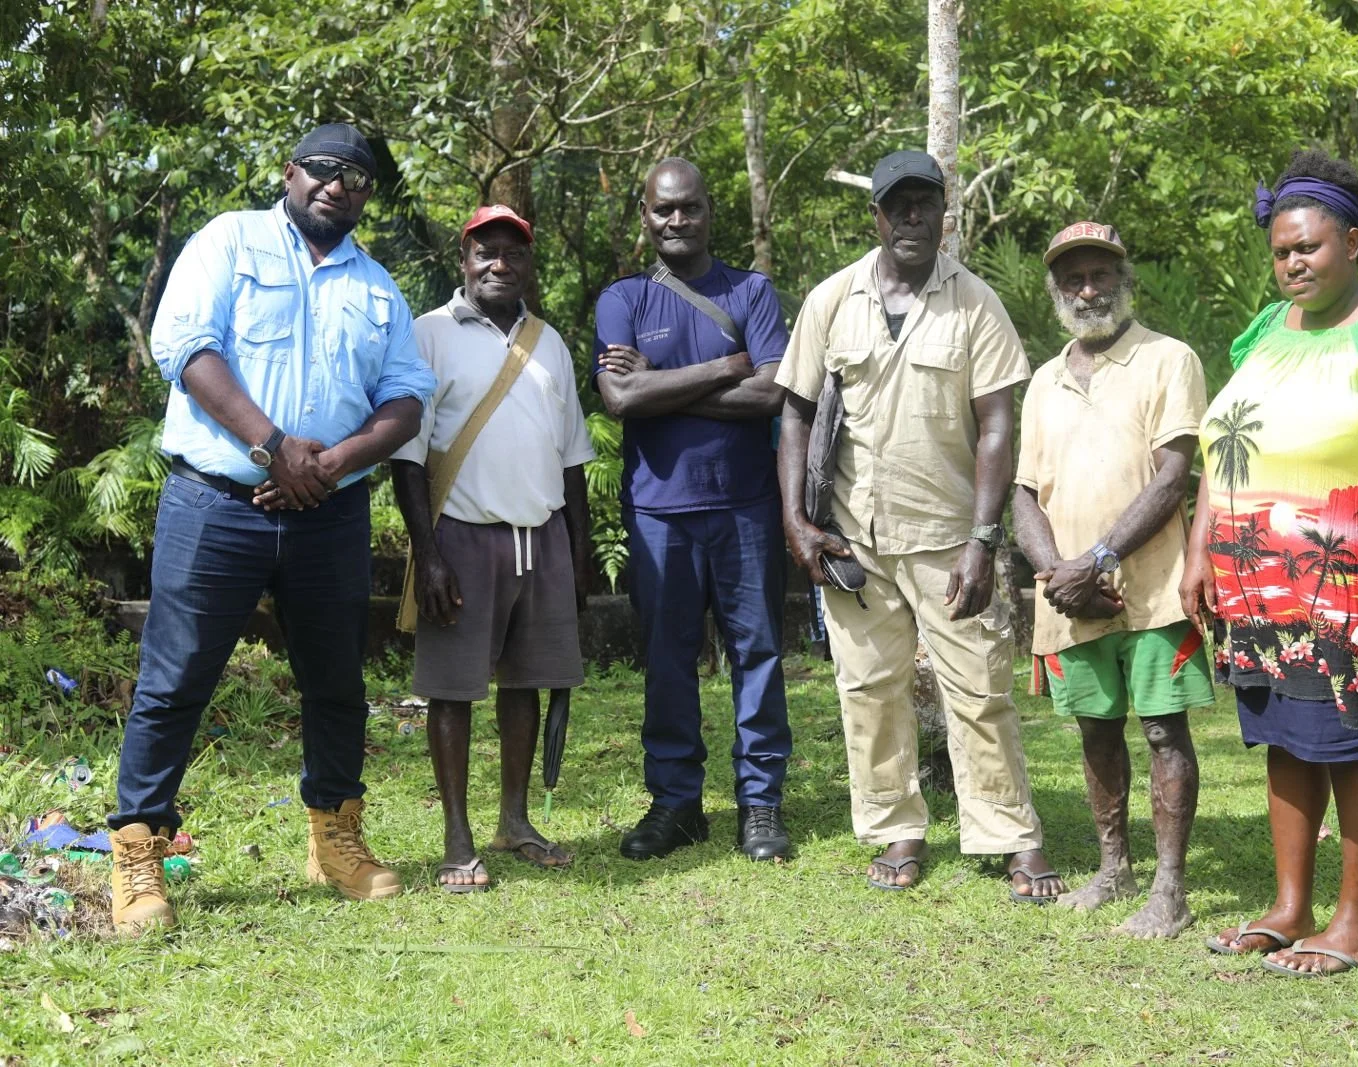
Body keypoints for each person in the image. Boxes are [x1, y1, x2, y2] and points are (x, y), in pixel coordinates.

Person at [108, 123, 436, 933]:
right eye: (323, 168)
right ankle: (138, 853)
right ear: (290, 173)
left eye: (356, 177)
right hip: (217, 504)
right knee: (174, 679)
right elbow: (187, 348)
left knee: (338, 683)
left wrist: (332, 462)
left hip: (330, 513)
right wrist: (275, 447)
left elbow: (406, 398)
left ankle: (335, 837)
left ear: (366, 196)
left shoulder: (378, 288)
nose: (338, 184)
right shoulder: (229, 242)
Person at [1184, 150, 1358, 975]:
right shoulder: (1268, 329)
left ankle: (1357, 925)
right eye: (1281, 251)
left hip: (1349, 584)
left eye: (1309, 247)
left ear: (1353, 242)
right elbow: (1223, 447)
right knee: (1286, 738)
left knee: (1352, 741)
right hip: (1256, 583)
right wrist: (1199, 550)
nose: (1293, 263)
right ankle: (1290, 906)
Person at [776, 149, 1065, 902]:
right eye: (896, 205)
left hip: (947, 540)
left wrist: (983, 539)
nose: (911, 217)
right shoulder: (831, 300)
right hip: (854, 538)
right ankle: (896, 829)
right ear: (875, 215)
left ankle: (1010, 834)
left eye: (924, 204)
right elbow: (795, 414)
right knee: (869, 688)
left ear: (944, 214)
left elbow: (997, 425)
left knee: (981, 690)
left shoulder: (975, 304)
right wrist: (797, 522)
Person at [1012, 221, 1212, 937]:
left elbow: (1172, 478)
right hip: (1070, 599)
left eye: (1100, 275)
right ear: (1057, 291)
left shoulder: (1168, 359)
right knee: (1096, 730)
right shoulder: (1044, 381)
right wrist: (1056, 574)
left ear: (1125, 281)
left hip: (1153, 590)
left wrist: (1095, 560)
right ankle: (1113, 868)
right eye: (1073, 279)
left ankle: (1170, 891)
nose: (1088, 290)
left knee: (1162, 731)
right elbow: (1024, 494)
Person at [592, 158, 793, 862]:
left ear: (710, 211)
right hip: (659, 514)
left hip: (747, 508)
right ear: (645, 216)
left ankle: (761, 802)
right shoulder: (623, 300)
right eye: (663, 209)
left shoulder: (751, 291)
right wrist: (727, 367)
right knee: (667, 660)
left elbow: (773, 393)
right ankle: (676, 803)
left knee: (758, 655)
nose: (677, 220)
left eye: (689, 207)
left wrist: (664, 386)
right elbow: (621, 399)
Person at [392, 204, 594, 892]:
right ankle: (457, 838)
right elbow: (408, 458)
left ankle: (515, 821)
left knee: (527, 682)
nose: (499, 264)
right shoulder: (429, 334)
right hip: (461, 538)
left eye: (513, 253)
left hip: (542, 536)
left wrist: (580, 554)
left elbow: (572, 457)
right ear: (464, 260)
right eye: (486, 252)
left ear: (528, 264)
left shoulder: (550, 343)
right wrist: (428, 555)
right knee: (452, 691)